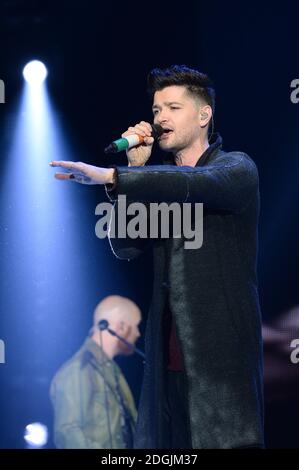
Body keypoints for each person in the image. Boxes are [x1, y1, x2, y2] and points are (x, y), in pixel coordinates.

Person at [50, 65, 264, 449]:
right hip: (167, 369)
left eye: (173, 107)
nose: (160, 117)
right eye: (156, 109)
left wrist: (114, 177)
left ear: (204, 115)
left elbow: (198, 185)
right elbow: (127, 246)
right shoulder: (161, 182)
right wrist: (134, 168)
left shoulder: (236, 169)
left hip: (218, 373)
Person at [50, 295, 141, 449]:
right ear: (121, 327)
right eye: (136, 326)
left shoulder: (113, 371)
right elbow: (67, 433)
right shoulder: (78, 369)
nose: (138, 333)